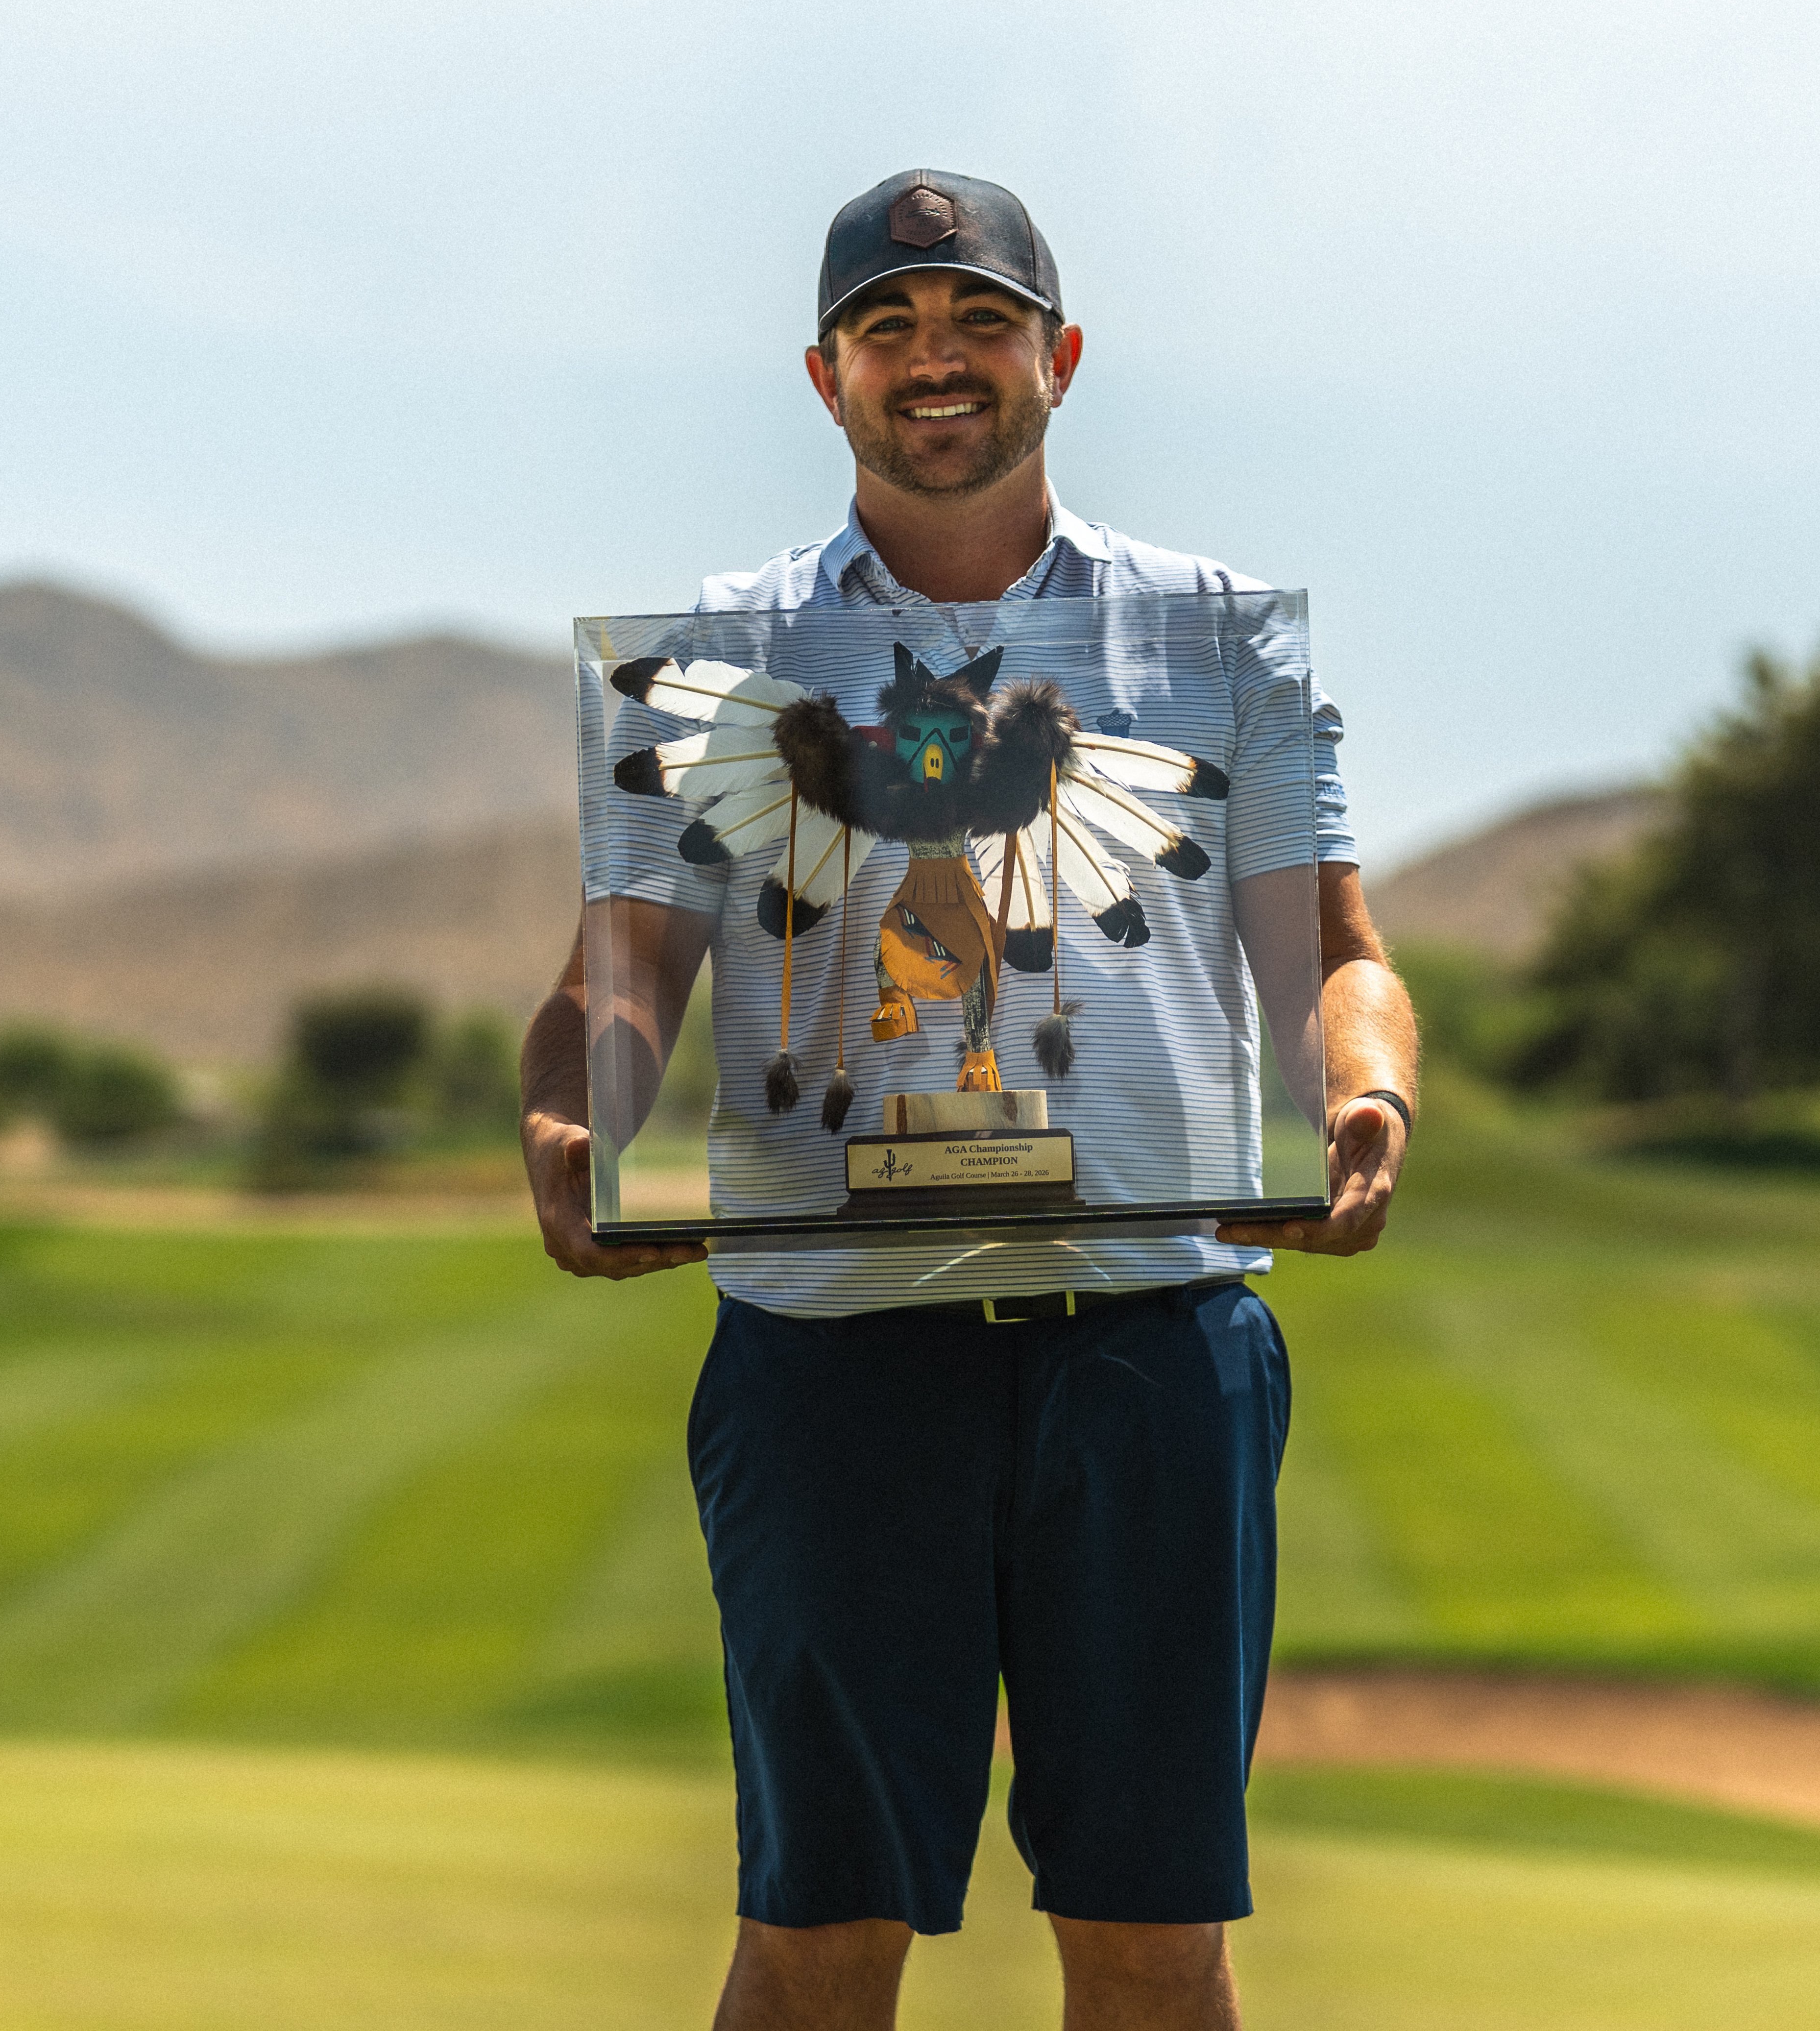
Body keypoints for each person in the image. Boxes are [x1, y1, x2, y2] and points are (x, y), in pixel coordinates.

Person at [521, 169, 1417, 2031]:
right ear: (824, 374)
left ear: (1060, 357)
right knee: (818, 1933)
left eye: (980, 323)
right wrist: (576, 1125)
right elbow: (623, 966)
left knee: (1158, 1941)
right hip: (833, 1352)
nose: (938, 362)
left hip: (1154, 1338)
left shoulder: (1223, 636)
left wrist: (1368, 1087)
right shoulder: (718, 659)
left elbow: (1332, 949)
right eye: (892, 329)